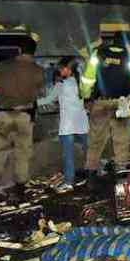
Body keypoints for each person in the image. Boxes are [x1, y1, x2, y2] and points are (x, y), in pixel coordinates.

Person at [0, 38, 44, 203]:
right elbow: (40, 90)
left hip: (3, 115)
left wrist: (4, 88)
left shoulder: (5, 66)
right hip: (25, 115)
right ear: (34, 52)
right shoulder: (37, 70)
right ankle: (19, 192)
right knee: (23, 153)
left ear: (19, 50)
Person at [80, 32, 130, 176]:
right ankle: (121, 168)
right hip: (121, 103)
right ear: (126, 43)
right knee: (122, 138)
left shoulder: (98, 54)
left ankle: (91, 169)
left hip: (100, 102)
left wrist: (86, 97)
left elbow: (87, 78)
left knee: (96, 138)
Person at [38, 57, 90, 193]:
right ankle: (97, 172)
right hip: (81, 121)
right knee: (89, 149)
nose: (60, 71)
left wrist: (30, 103)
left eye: (61, 68)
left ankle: (68, 181)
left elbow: (48, 99)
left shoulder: (62, 84)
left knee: (68, 154)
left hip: (67, 124)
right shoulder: (81, 84)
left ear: (68, 69)